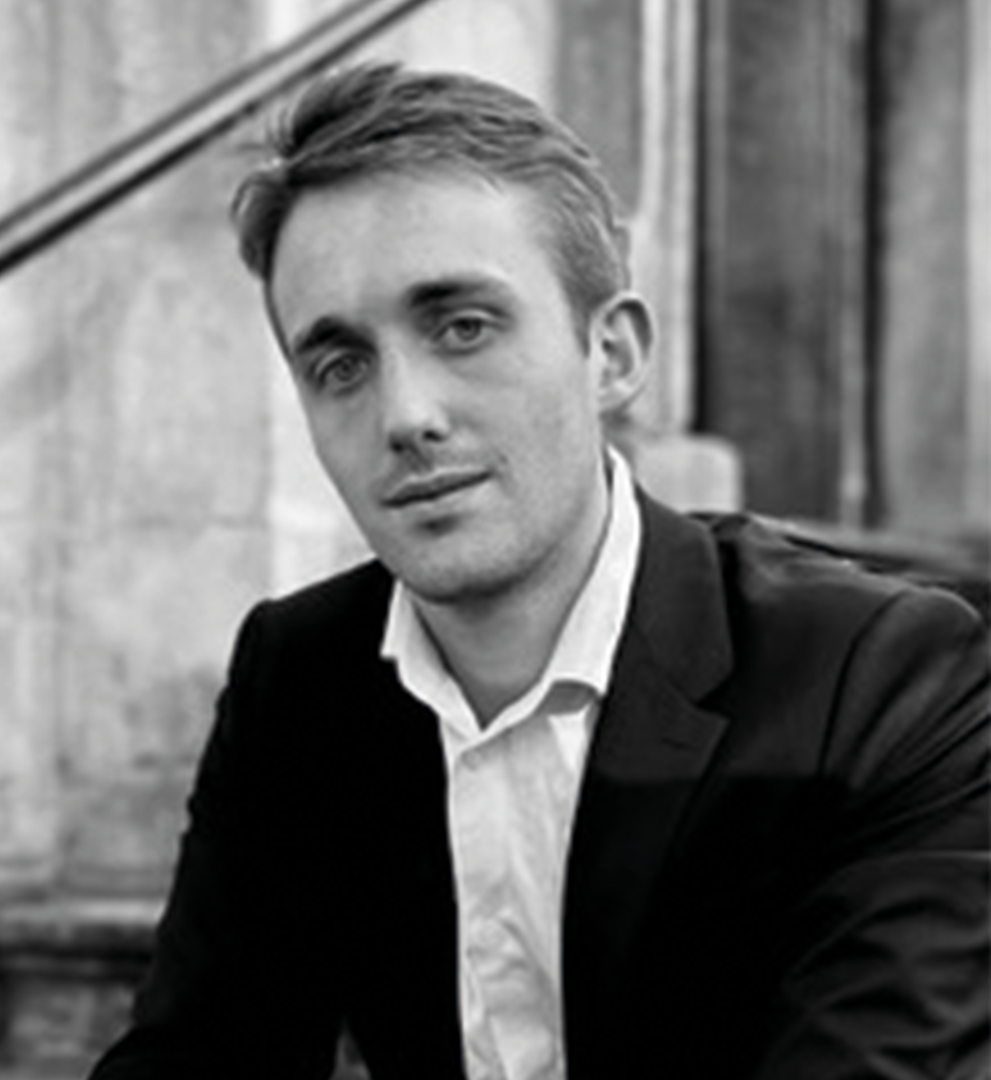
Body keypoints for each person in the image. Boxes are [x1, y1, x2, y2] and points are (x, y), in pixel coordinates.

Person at [88, 63, 989, 1080]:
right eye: (340, 365)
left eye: (463, 326)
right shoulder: (299, 676)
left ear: (613, 354)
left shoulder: (875, 676)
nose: (405, 416)